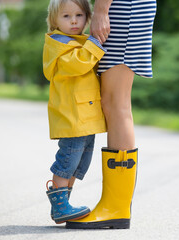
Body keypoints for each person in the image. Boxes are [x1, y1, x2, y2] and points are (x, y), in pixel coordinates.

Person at [66, 0, 157, 229]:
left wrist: (101, 10)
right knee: (112, 102)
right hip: (125, 8)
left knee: (116, 103)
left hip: (124, 8)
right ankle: (114, 205)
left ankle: (115, 207)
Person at [43, 0, 107, 224]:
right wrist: (95, 43)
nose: (73, 21)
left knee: (81, 159)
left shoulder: (79, 41)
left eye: (79, 15)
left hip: (84, 115)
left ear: (87, 17)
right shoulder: (59, 43)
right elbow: (78, 64)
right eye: (66, 16)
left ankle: (63, 204)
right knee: (69, 158)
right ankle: (60, 205)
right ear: (54, 21)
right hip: (72, 115)